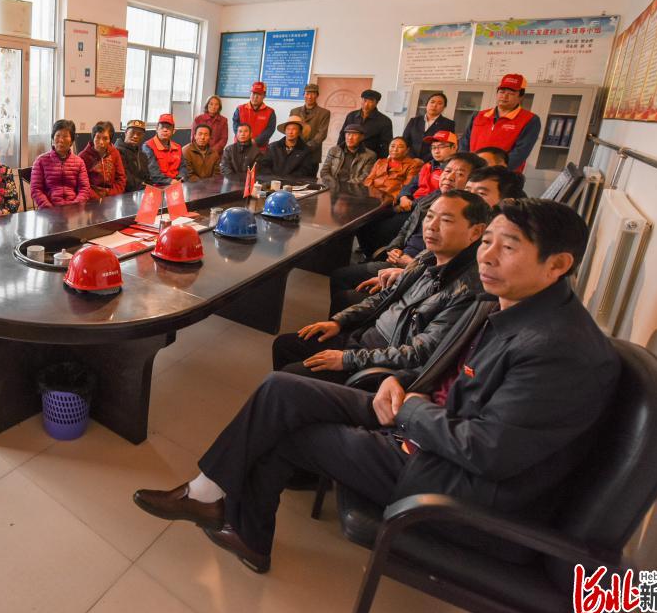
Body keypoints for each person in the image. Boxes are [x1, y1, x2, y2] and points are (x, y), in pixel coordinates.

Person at [132, 199, 619, 574]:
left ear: (558, 264)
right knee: (282, 389)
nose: (487, 257)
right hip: (422, 419)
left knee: (286, 431)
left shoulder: (560, 350)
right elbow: (444, 368)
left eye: (507, 247)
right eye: (487, 241)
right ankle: (207, 492)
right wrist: (398, 383)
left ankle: (243, 530)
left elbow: (488, 452)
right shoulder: (509, 304)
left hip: (449, 476)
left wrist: (409, 409)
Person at [272, 190, 489, 384]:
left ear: (476, 232)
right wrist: (339, 321)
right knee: (285, 344)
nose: (431, 226)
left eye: (447, 220)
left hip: (382, 362)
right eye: (430, 216)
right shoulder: (428, 256)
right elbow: (386, 296)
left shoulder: (467, 290)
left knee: (287, 377)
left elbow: (420, 353)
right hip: (365, 337)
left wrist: (348, 359)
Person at [335, 152, 483, 313]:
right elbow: (406, 229)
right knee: (341, 276)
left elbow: (443, 267)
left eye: (460, 174)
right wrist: (393, 249)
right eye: (447, 171)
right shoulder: (432, 198)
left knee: (343, 284)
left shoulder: (468, 218)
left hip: (415, 272)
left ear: (472, 182)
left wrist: (411, 265)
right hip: (399, 261)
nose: (449, 177)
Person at [357, 130, 457, 252]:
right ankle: (370, 253)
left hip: (422, 210)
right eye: (433, 147)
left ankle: (378, 255)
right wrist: (404, 196)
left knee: (381, 227)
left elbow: (438, 196)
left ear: (454, 147)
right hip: (408, 203)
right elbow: (410, 185)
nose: (436, 150)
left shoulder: (452, 171)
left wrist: (410, 203)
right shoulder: (428, 165)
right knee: (364, 222)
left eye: (441, 146)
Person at [463, 73, 541, 172]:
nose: (504, 96)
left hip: (502, 174)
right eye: (501, 92)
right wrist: (465, 163)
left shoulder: (530, 120)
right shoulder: (479, 115)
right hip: (473, 170)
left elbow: (521, 152)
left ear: (521, 97)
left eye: (511, 93)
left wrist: (496, 170)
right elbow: (465, 141)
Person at [30, 119, 91, 207]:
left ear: (71, 141)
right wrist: (49, 208)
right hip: (49, 210)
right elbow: (36, 189)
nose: (61, 140)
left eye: (65, 136)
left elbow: (84, 188)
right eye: (58, 135)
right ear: (53, 138)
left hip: (73, 209)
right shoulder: (40, 161)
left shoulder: (79, 162)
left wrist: (75, 207)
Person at [337, 89, 392, 159]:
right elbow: (342, 135)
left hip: (369, 158)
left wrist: (380, 161)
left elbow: (386, 144)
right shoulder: (351, 115)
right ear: (361, 100)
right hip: (347, 154)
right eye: (365, 100)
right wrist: (338, 152)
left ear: (376, 103)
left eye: (371, 101)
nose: (366, 104)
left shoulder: (385, 121)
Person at [401, 92, 455, 161]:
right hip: (410, 160)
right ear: (427, 104)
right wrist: (413, 158)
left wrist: (424, 160)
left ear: (444, 108)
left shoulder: (448, 124)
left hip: (433, 161)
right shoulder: (414, 121)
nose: (434, 105)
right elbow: (405, 141)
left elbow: (446, 146)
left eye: (439, 103)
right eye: (432, 102)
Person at [79, 121, 126, 198]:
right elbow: (82, 183)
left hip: (112, 196)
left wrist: (111, 195)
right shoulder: (83, 156)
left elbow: (121, 178)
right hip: (92, 198)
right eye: (97, 137)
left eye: (105, 138)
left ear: (110, 140)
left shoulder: (115, 153)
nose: (101, 142)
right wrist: (96, 197)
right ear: (93, 137)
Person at [287, 82, 330, 164]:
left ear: (317, 95)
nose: (310, 97)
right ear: (304, 95)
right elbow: (289, 129)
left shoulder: (324, 113)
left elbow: (322, 134)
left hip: (312, 154)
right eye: (307, 93)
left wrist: (306, 147)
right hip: (294, 151)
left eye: (313, 94)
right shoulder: (294, 111)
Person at [232, 81, 276, 149]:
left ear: (264, 96)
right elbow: (235, 125)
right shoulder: (240, 109)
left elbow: (270, 130)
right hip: (240, 147)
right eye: (253, 93)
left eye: (259, 94)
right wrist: (244, 139)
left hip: (260, 149)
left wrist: (255, 141)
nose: (255, 97)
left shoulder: (270, 112)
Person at [144, 114, 186, 184]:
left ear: (173, 131)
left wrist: (180, 178)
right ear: (156, 129)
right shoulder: (148, 146)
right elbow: (153, 172)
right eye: (162, 127)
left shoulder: (178, 147)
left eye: (168, 128)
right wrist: (170, 181)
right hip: (156, 185)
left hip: (176, 183)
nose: (165, 130)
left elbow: (183, 167)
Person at [115, 119, 151, 191]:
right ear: (126, 133)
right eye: (132, 132)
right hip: (124, 193)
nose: (135, 136)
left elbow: (147, 177)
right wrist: (146, 187)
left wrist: (151, 188)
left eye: (139, 134)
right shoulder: (117, 152)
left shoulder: (142, 154)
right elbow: (126, 179)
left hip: (141, 191)